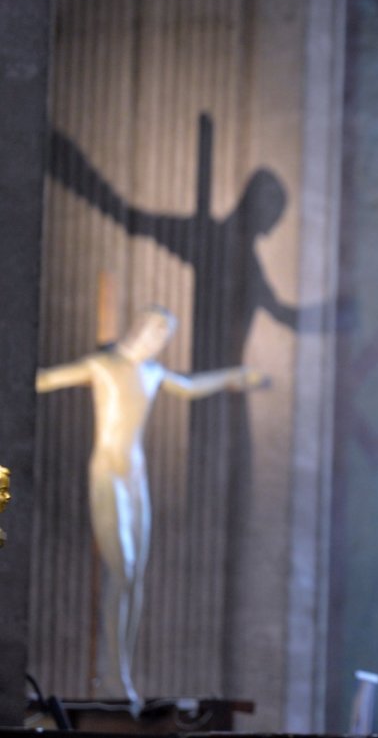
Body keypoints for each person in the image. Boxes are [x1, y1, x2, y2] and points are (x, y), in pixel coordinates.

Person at [35, 305, 267, 712]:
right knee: (122, 570)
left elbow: (191, 386)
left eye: (164, 339)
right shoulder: (103, 365)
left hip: (136, 479)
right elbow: (49, 378)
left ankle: (117, 672)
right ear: (140, 331)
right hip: (107, 473)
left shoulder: (153, 373)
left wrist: (233, 377)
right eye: (156, 335)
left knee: (135, 576)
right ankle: (111, 672)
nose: (158, 344)